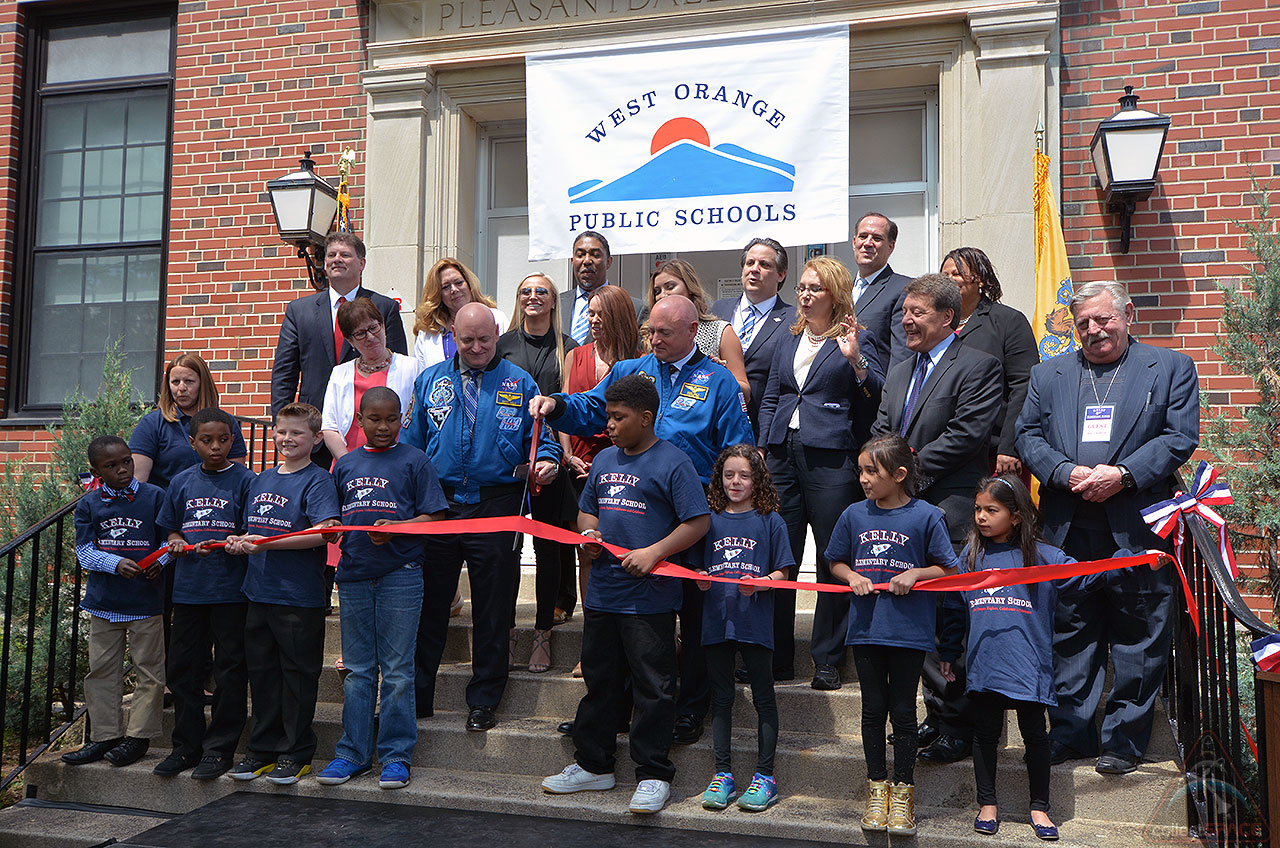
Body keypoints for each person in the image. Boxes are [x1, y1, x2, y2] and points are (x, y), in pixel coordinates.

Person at [531, 295, 753, 745]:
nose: (655, 340)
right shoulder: (633, 370)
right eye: (650, 331)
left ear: (694, 330)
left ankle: (689, 710)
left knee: (693, 620)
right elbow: (593, 408)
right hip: (631, 518)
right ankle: (612, 708)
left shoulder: (718, 382)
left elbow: (737, 451)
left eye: (665, 333)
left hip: (692, 520)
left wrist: (735, 516)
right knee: (629, 623)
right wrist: (557, 405)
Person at [1016, 280, 1199, 775]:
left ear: (1128, 314)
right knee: (1071, 631)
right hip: (1068, 527)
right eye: (1083, 324)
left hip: (1136, 526)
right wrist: (1061, 471)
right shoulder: (1048, 373)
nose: (1094, 331)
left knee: (1138, 632)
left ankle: (1123, 741)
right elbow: (1027, 434)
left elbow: (1179, 436)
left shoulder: (1170, 368)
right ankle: (1072, 733)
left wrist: (1123, 475)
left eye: (1104, 319)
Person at [540, 375, 710, 815]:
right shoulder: (604, 461)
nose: (609, 425)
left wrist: (654, 552)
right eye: (607, 416)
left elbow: (698, 522)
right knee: (600, 681)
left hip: (649, 600)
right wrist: (589, 533)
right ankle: (594, 764)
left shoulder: (674, 463)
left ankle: (653, 774)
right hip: (604, 594)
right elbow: (586, 510)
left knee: (653, 687)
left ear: (646, 418)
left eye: (618, 417)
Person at [401, 302, 561, 731]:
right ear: (453, 335)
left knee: (493, 608)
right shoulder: (430, 381)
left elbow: (544, 443)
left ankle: (484, 700)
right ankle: (417, 696)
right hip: (440, 505)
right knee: (430, 603)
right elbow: (410, 446)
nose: (475, 348)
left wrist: (547, 462)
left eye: (484, 340)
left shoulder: (521, 382)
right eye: (467, 340)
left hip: (498, 504)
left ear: (497, 335)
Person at [872, 273, 1004, 764]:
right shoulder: (901, 367)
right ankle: (934, 713)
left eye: (917, 312)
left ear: (948, 318)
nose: (906, 319)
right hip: (901, 505)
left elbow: (967, 434)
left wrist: (908, 477)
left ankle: (961, 724)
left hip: (946, 503)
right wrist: (887, 476)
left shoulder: (979, 366)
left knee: (952, 614)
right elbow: (882, 427)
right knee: (918, 615)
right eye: (904, 311)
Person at [757, 255, 884, 688]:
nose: (806, 296)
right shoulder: (787, 336)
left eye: (815, 289)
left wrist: (856, 361)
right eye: (802, 289)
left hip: (831, 457)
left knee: (833, 556)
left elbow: (876, 394)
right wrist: (763, 449)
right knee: (781, 555)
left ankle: (827, 658)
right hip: (782, 456)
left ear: (836, 295)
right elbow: (772, 395)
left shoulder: (854, 337)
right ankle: (776, 657)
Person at [826, 434, 960, 837]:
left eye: (873, 471)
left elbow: (950, 569)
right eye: (862, 471)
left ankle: (903, 792)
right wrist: (852, 577)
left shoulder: (926, 515)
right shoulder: (853, 514)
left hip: (907, 631)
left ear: (900, 475)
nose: (864, 479)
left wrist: (915, 574)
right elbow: (835, 560)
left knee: (902, 712)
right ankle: (876, 787)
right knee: (872, 710)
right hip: (866, 629)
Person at [316, 388, 448, 791]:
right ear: (359, 420)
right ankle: (352, 754)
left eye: (391, 418)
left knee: (397, 672)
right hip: (354, 575)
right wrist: (329, 527)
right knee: (357, 672)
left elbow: (436, 517)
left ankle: (395, 756)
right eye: (375, 419)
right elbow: (331, 516)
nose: (384, 426)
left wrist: (397, 530)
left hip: (401, 574)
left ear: (401, 420)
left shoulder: (415, 460)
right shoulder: (345, 464)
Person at [939, 475, 1067, 841]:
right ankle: (987, 804)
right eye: (978, 509)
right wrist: (949, 649)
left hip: (1028, 665)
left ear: (1015, 517)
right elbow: (953, 604)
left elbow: (1084, 577)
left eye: (991, 510)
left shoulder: (1044, 557)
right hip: (986, 663)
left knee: (1035, 737)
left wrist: (1132, 561)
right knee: (985, 735)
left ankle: (1040, 807)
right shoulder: (970, 557)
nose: (980, 516)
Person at [223, 403, 340, 785]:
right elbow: (253, 529)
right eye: (281, 432)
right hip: (257, 593)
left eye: (297, 433)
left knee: (297, 676)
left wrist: (267, 544)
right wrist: (240, 541)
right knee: (263, 676)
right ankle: (262, 750)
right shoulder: (261, 479)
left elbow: (324, 532)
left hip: (298, 596)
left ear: (316, 439)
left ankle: (296, 752)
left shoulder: (318, 480)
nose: (286, 439)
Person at [153, 408, 257, 780]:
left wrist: (239, 540)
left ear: (233, 439)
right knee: (183, 670)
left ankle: (220, 748)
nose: (216, 447)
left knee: (229, 671)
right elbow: (171, 530)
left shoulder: (247, 481)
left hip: (231, 591)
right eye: (207, 440)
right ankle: (186, 746)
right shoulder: (181, 482)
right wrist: (178, 541)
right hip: (189, 591)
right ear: (192, 442)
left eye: (223, 439)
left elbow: (253, 531)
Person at [696, 445, 793, 814]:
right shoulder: (708, 519)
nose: (736, 482)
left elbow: (784, 573)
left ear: (758, 480)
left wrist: (764, 582)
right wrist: (701, 580)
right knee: (721, 700)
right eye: (729, 475)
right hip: (716, 621)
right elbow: (696, 569)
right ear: (718, 477)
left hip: (755, 622)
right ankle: (723, 774)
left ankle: (764, 776)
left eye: (745, 475)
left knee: (764, 698)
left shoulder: (771, 521)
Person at [61, 436, 167, 769]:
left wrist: (159, 563)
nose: (122, 469)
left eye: (126, 462)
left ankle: (138, 738)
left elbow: (169, 540)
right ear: (96, 471)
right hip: (104, 602)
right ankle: (104, 736)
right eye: (111, 466)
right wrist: (114, 564)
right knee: (101, 671)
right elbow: (84, 552)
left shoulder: (154, 497)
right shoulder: (90, 504)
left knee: (149, 672)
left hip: (145, 603)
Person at [497, 273, 580, 671]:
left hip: (552, 462)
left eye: (541, 292)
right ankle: (509, 631)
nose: (532, 296)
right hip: (512, 465)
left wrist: (560, 456)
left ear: (553, 302)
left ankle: (542, 632)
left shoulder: (569, 348)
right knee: (509, 552)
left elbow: (571, 408)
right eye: (525, 290)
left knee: (549, 549)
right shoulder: (501, 346)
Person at [559, 284, 642, 676]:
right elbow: (569, 404)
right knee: (588, 551)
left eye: (600, 314)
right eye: (589, 313)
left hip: (623, 465)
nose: (593, 320)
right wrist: (568, 454)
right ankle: (591, 643)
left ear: (619, 317)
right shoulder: (576, 356)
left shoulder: (639, 363)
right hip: (579, 462)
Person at [270, 231, 408, 441]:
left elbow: (397, 368)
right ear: (324, 264)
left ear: (361, 263)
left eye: (345, 255)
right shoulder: (299, 311)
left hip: (368, 429)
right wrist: (281, 424)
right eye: (331, 255)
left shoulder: (384, 307)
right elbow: (284, 373)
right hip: (311, 427)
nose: (337, 260)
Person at [942, 247, 1037, 475]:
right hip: (945, 449)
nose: (949, 280)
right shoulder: (938, 325)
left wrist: (1009, 446)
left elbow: (1023, 386)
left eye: (956, 273)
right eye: (944, 276)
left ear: (981, 280)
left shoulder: (1008, 322)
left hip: (993, 453)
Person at [712, 237, 796, 439]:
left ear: (781, 274)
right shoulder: (716, 309)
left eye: (764, 265)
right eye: (750, 263)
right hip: (714, 423)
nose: (754, 269)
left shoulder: (794, 320)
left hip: (762, 427)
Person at [321, 297, 423, 461]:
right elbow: (329, 427)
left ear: (383, 326)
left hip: (398, 464)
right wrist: (348, 464)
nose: (370, 337)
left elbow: (419, 421)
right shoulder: (339, 374)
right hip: (349, 464)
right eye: (360, 333)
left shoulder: (412, 367)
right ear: (350, 341)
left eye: (373, 328)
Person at [131, 352, 248, 490]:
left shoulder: (226, 422)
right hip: (167, 506)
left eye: (189, 381)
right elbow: (139, 483)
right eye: (175, 382)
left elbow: (237, 477)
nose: (181, 388)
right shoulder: (152, 424)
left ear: (202, 383)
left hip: (217, 503)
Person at [646, 258, 750, 399]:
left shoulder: (720, 331)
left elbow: (745, 392)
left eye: (670, 287)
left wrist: (721, 375)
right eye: (657, 291)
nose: (662, 295)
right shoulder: (649, 334)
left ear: (690, 288)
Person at [411, 257, 508, 368]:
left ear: (469, 284)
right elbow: (421, 377)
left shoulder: (496, 318)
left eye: (459, 282)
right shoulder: (427, 333)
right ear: (438, 294)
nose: (454, 290)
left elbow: (508, 363)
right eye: (446, 287)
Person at [558, 231, 647, 344]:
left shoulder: (635, 308)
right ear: (572, 261)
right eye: (580, 255)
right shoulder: (556, 304)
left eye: (595, 255)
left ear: (608, 262)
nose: (586, 261)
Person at [849, 213, 912, 369]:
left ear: (891, 247)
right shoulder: (841, 290)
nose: (868, 243)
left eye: (877, 238)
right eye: (863, 236)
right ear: (854, 242)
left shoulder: (904, 289)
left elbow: (902, 356)